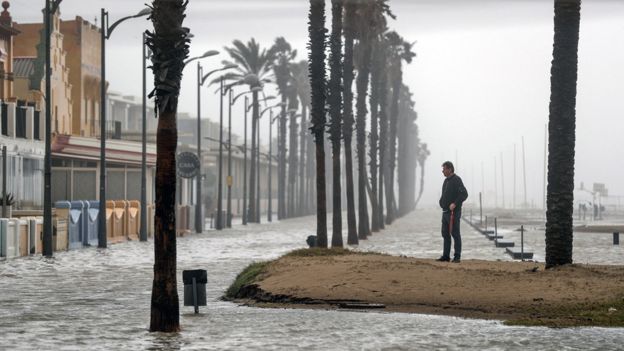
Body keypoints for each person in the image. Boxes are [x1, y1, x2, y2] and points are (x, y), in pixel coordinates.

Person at [438, 161, 468, 263]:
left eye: (444, 169)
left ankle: (457, 257)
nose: (442, 171)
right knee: (445, 234)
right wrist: (441, 202)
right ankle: (446, 256)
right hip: (445, 212)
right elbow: (444, 195)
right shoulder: (446, 181)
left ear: (450, 169)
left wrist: (454, 204)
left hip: (454, 213)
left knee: (455, 233)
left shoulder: (457, 180)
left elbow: (464, 194)